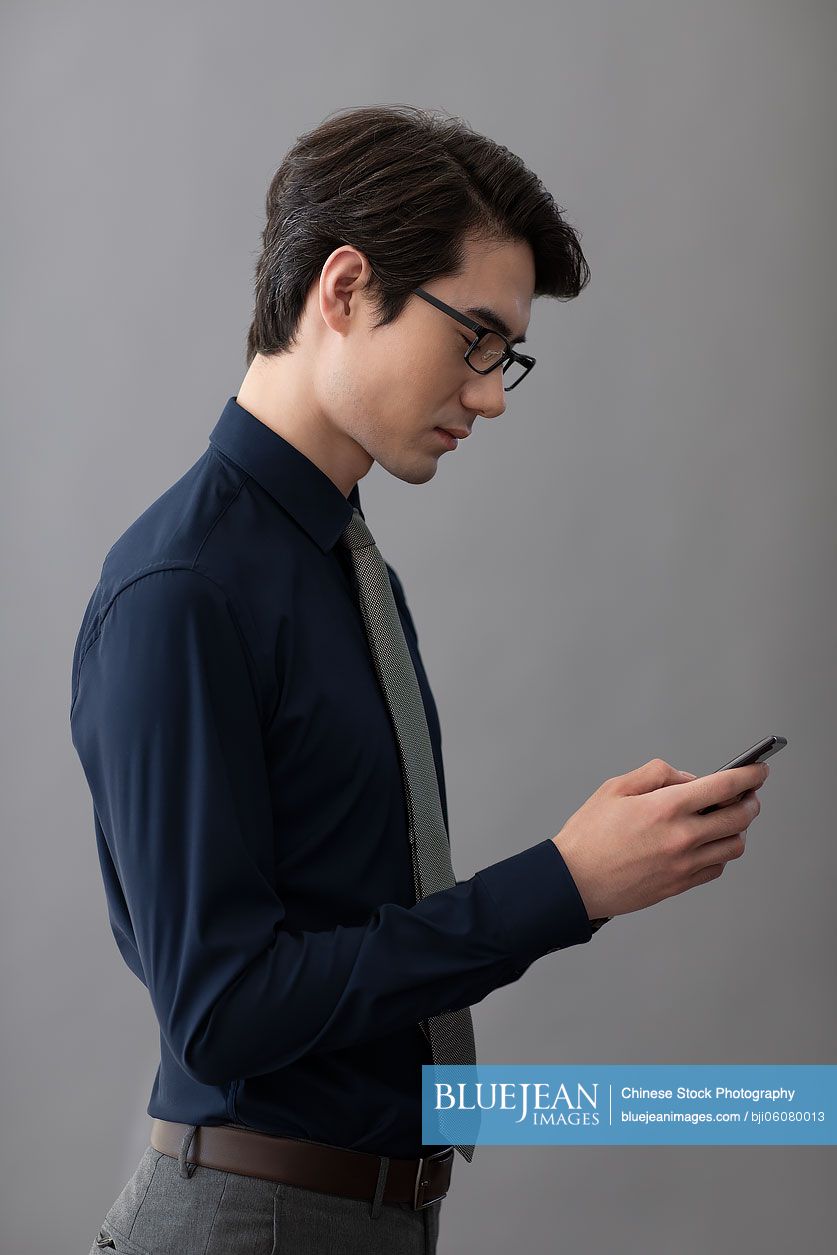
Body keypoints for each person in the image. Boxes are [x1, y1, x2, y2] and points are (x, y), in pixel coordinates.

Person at [70, 103, 768, 1255]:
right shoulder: (181, 589)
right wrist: (564, 884)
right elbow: (219, 1013)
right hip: (256, 1224)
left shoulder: (347, 571)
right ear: (345, 289)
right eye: (475, 338)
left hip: (365, 1217)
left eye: (508, 357)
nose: (490, 393)